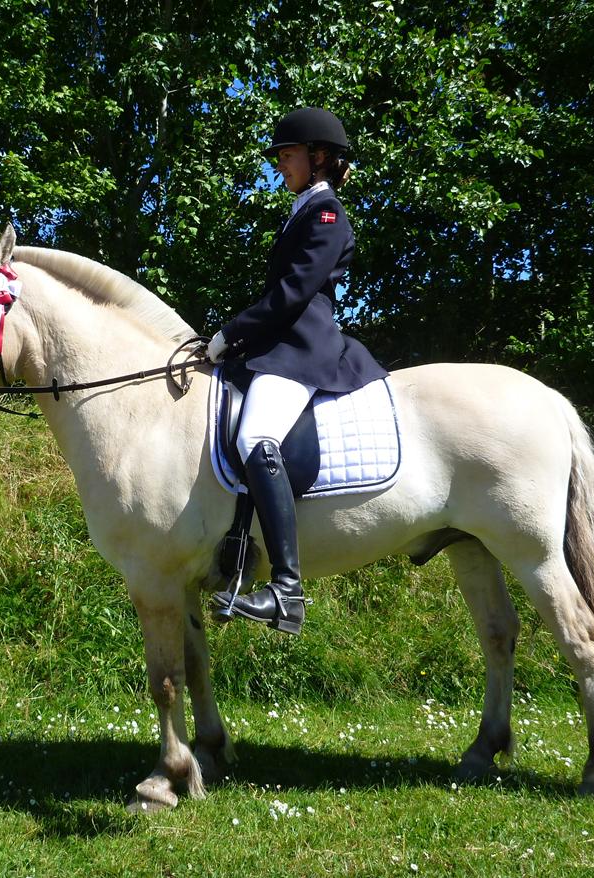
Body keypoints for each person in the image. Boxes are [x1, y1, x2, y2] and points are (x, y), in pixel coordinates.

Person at [207, 107, 387, 635]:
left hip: (302, 347)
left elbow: (291, 295)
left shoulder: (328, 215)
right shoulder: (303, 210)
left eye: (286, 157)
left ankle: (287, 589)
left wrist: (231, 333)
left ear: (319, 158)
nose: (280, 167)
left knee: (256, 436)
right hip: (277, 344)